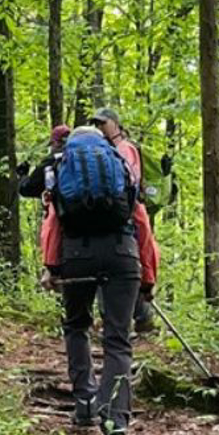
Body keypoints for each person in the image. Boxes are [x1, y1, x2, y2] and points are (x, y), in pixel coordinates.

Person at [54, 124, 139, 435]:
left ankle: (85, 403)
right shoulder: (120, 166)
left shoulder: (63, 166)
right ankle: (115, 424)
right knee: (118, 340)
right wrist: (147, 276)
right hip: (123, 254)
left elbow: (52, 224)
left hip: (77, 255)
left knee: (76, 326)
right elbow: (140, 220)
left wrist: (52, 267)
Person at [90, 107, 160, 333]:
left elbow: (129, 180)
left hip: (128, 212)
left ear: (115, 124)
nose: (100, 127)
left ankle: (136, 317)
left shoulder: (125, 148)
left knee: (133, 262)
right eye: (97, 124)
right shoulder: (106, 150)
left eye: (103, 122)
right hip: (118, 214)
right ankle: (134, 317)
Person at [18, 125, 73, 283]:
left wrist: (22, 175)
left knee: (52, 230)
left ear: (55, 143)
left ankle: (51, 270)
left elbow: (27, 189)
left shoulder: (50, 163)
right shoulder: (83, 159)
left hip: (61, 221)